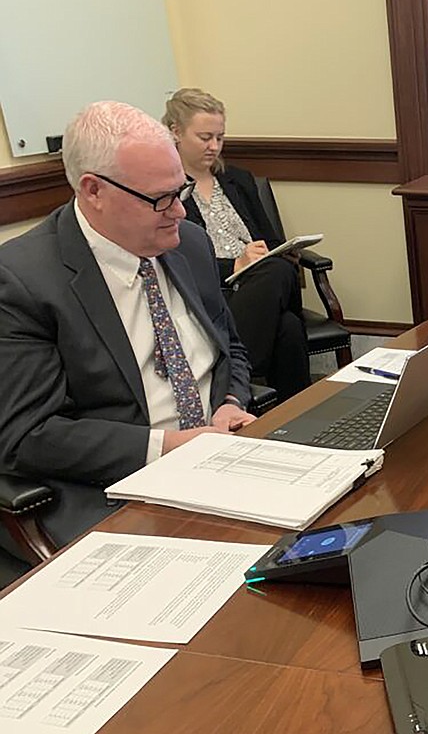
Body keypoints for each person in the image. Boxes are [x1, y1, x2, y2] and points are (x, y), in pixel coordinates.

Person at [0, 101, 255, 546]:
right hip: (117, 492)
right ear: (93, 191)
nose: (179, 212)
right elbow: (29, 436)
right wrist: (166, 447)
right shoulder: (23, 280)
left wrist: (230, 401)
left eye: (182, 192)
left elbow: (228, 349)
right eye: (161, 199)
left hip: (222, 459)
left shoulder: (187, 244)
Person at [162, 88, 310, 401]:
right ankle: (274, 403)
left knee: (278, 273)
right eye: (204, 137)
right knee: (288, 327)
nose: (214, 146)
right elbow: (177, 260)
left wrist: (281, 251)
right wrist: (236, 265)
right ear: (175, 132)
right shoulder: (168, 191)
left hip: (261, 284)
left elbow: (270, 241)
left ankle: (234, 378)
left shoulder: (238, 180)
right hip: (216, 293)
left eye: (220, 137)